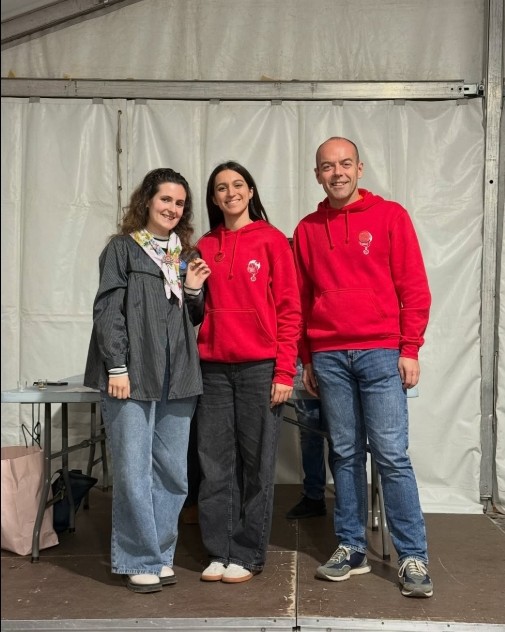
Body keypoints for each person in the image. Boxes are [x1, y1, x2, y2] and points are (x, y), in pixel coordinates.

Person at [293, 137, 433, 598]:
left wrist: (409, 348)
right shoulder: (308, 229)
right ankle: (351, 546)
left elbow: (414, 286)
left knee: (391, 454)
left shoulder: (391, 216)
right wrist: (307, 357)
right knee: (346, 454)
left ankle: (413, 555)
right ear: (317, 174)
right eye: (327, 166)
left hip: (381, 351)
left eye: (345, 164)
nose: (337, 173)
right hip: (329, 356)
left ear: (360, 168)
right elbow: (302, 299)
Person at [84, 167, 211, 593]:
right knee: (134, 471)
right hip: (133, 374)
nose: (172, 208)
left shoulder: (185, 254)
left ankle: (159, 554)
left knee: (173, 473)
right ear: (147, 201)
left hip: (179, 376)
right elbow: (107, 310)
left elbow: (193, 317)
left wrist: (193, 290)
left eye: (180, 203)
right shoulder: (122, 249)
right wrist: (116, 367)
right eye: (165, 200)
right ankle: (138, 558)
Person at [195, 160, 301, 583]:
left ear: (251, 191)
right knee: (214, 464)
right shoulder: (204, 245)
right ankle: (218, 550)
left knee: (257, 466)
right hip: (213, 369)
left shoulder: (272, 240)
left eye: (238, 184)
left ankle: (246, 553)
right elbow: (193, 306)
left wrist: (285, 371)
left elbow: (290, 309)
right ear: (214, 197)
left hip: (260, 368)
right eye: (221, 187)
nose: (230, 193)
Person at [285, 359, 329, 520]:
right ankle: (313, 496)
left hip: (337, 369)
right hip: (301, 369)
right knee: (309, 437)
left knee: (340, 440)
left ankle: (347, 498)